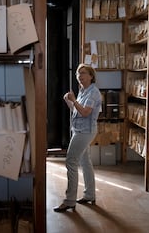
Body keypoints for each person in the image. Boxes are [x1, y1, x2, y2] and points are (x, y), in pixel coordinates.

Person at [54, 63, 102, 212]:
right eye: (78, 73)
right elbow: (77, 111)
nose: (80, 76)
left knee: (71, 161)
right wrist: (70, 102)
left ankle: (69, 200)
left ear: (91, 76)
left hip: (84, 132)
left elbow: (86, 112)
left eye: (83, 73)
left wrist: (74, 100)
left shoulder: (93, 92)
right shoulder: (84, 90)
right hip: (80, 130)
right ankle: (89, 195)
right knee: (85, 161)